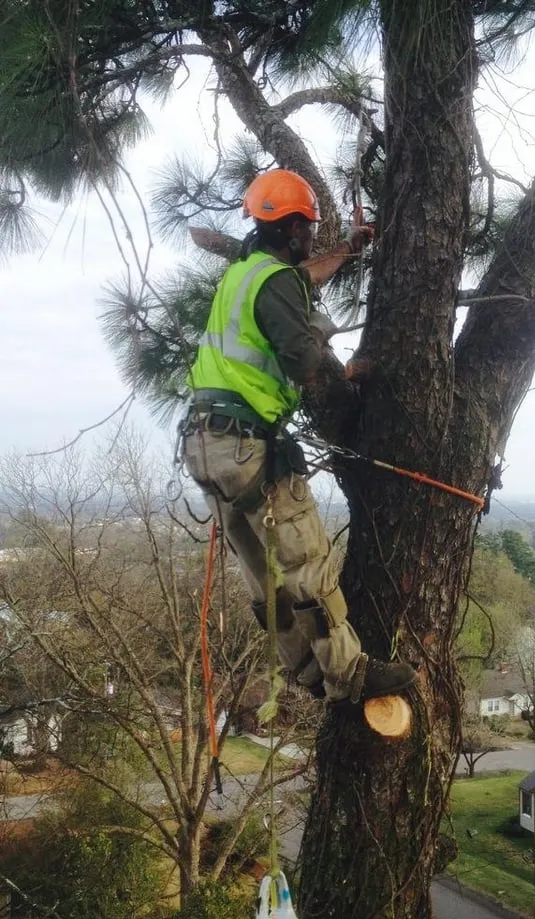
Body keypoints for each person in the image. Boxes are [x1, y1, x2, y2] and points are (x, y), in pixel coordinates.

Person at [182, 168, 416, 705]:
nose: (310, 237)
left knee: (264, 578)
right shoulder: (274, 283)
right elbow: (304, 361)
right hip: (246, 447)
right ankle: (350, 675)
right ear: (290, 229)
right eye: (307, 229)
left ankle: (307, 672)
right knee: (307, 565)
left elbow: (300, 279)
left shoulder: (246, 274)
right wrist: (347, 374)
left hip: (204, 444)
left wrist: (347, 249)